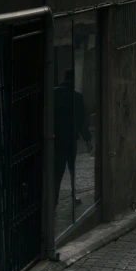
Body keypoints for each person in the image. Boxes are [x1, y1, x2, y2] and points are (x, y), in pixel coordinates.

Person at [54, 69, 93, 209]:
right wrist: (88, 140)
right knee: (71, 169)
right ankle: (73, 194)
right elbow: (82, 121)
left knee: (57, 170)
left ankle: (54, 198)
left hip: (56, 139)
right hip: (70, 139)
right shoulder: (76, 97)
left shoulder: (54, 94)